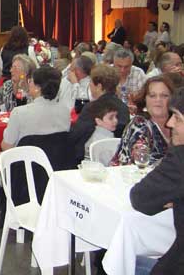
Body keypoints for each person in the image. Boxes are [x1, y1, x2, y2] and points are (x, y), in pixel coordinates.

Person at [130, 87, 184, 275]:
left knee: (122, 261)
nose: (170, 123)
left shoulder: (180, 160)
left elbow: (140, 198)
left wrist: (172, 198)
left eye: (177, 118)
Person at [69, 64, 130, 164]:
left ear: (99, 86)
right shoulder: (124, 107)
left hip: (91, 158)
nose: (90, 86)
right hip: (117, 156)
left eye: (91, 83)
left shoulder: (93, 108)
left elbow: (76, 134)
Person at [1, 66, 70, 150]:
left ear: (37, 88)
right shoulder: (65, 111)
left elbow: (7, 146)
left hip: (26, 161)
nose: (29, 84)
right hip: (57, 161)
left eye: (30, 81)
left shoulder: (19, 113)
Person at [111, 75, 174, 166]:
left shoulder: (178, 123)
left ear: (172, 99)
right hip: (133, 177)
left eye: (164, 96)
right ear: (145, 99)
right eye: (152, 95)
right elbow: (141, 163)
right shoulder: (139, 124)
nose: (158, 100)